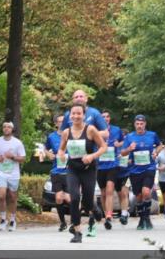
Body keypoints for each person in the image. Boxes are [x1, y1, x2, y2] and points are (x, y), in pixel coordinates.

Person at [56, 103, 108, 243]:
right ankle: (77, 231)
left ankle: (94, 208)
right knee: (74, 198)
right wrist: (60, 154)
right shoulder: (66, 132)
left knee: (87, 201)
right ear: (70, 116)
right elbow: (61, 149)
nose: (76, 116)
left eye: (79, 113)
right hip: (73, 168)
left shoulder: (90, 130)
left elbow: (104, 147)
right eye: (73, 113)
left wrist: (92, 156)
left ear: (83, 115)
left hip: (89, 169)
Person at [121, 115, 161, 230]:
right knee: (138, 196)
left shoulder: (152, 135)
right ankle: (141, 219)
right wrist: (129, 149)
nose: (139, 126)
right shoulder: (129, 137)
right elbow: (123, 153)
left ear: (145, 124)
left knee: (146, 192)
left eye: (141, 124)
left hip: (149, 168)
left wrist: (156, 152)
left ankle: (147, 218)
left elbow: (159, 145)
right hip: (135, 170)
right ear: (135, 124)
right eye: (137, 124)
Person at [0, 121, 26, 231]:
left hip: (13, 174)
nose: (6, 128)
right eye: (4, 127)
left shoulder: (18, 143)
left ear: (12, 129)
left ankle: (12, 219)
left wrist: (13, 157)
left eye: (9, 127)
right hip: (1, 172)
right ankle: (2, 219)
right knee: (1, 196)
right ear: (2, 129)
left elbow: (22, 159)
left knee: (12, 197)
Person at [96, 110, 125, 230]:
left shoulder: (116, 130)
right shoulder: (95, 131)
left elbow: (124, 141)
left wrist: (120, 145)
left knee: (109, 190)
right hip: (99, 166)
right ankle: (105, 214)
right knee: (103, 193)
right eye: (103, 117)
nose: (105, 119)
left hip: (113, 165)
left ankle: (109, 216)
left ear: (109, 119)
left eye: (107, 117)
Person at [44, 114, 70, 231]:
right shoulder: (51, 137)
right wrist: (49, 154)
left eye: (63, 121)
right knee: (59, 198)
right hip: (56, 171)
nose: (62, 123)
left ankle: (75, 221)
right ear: (56, 123)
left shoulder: (72, 135)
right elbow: (44, 149)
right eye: (59, 121)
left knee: (70, 199)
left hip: (70, 172)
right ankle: (63, 222)